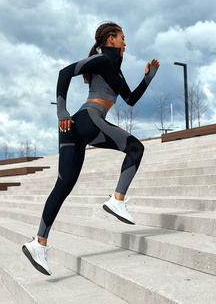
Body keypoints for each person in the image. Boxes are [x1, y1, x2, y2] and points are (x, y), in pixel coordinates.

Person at [22, 22, 160, 275]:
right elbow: (65, 72)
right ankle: (117, 200)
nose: (125, 43)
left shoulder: (115, 72)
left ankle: (38, 243)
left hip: (73, 128)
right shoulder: (101, 60)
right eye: (122, 38)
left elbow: (130, 100)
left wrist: (148, 77)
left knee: (63, 185)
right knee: (136, 148)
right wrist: (60, 110)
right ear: (110, 39)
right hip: (87, 119)